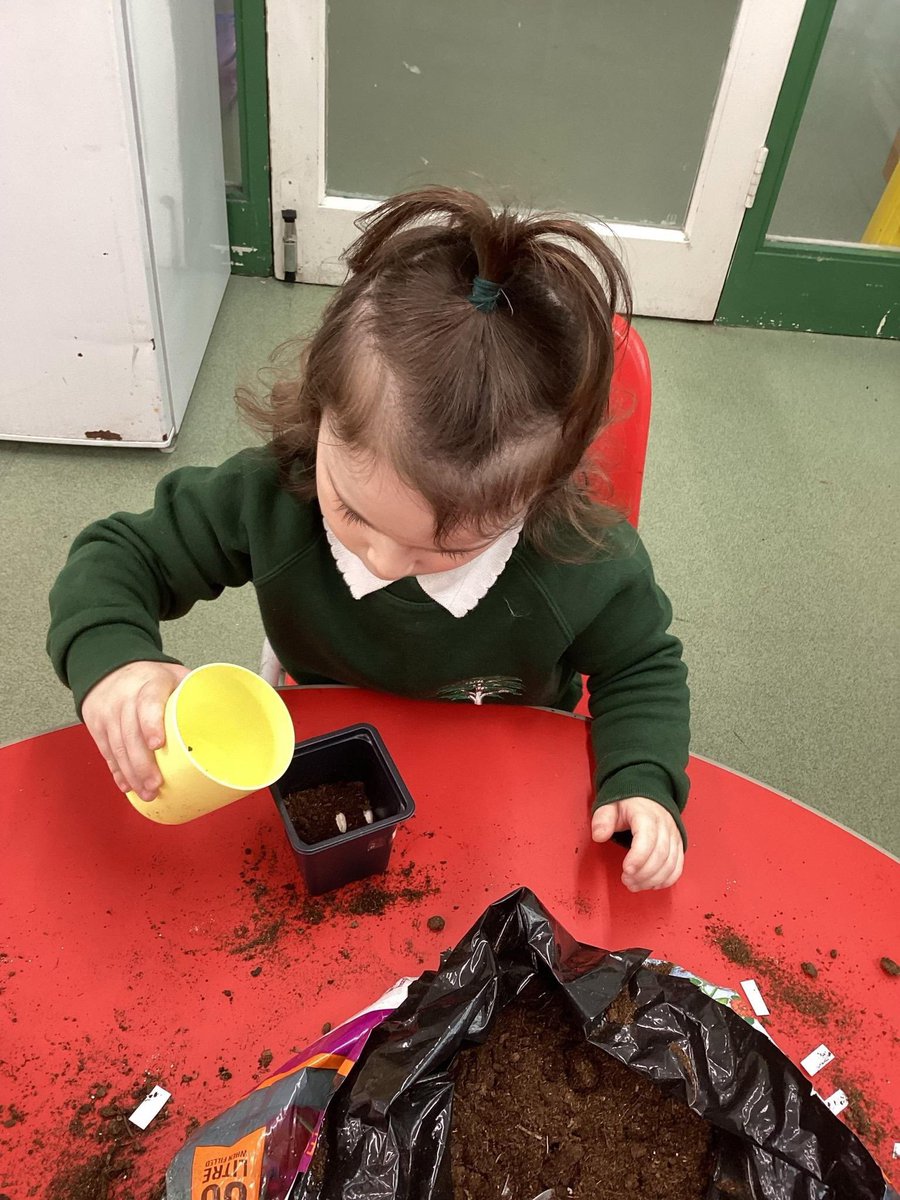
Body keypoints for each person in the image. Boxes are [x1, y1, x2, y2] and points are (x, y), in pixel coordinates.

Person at [47, 186, 689, 893]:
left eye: (441, 550)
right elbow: (119, 557)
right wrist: (116, 664)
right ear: (321, 414)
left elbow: (641, 667)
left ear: (535, 497)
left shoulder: (582, 557)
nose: (382, 561)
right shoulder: (271, 493)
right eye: (354, 514)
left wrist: (643, 777)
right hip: (327, 749)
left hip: (505, 780)